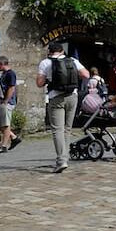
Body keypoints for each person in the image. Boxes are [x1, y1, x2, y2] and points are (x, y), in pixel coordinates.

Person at [37, 43, 87, 173]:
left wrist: (49, 78)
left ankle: (61, 160)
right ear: (62, 51)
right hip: (72, 96)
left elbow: (39, 83)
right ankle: (65, 157)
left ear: (49, 51)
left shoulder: (45, 63)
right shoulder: (72, 60)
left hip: (56, 97)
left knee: (57, 130)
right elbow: (86, 74)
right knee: (67, 129)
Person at [0, 57, 21, 153]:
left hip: (7, 101)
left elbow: (11, 88)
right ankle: (14, 138)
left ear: (1, 64)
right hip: (2, 100)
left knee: (5, 124)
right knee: (0, 124)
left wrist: (6, 100)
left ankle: (4, 145)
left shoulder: (10, 74)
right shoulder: (3, 74)